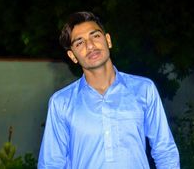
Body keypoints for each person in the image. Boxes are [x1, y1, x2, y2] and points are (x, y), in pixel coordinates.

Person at [38, 11, 180, 169]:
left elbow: (165, 152)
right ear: (72, 56)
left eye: (95, 36)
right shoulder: (61, 103)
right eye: (80, 43)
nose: (90, 46)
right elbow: (51, 164)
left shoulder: (144, 90)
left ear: (108, 40)